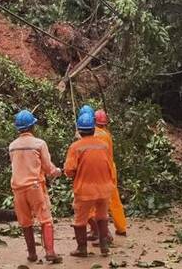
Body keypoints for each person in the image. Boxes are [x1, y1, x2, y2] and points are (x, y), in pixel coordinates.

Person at [9, 109, 63, 264]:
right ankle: (50, 252)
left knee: (25, 222)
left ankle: (32, 254)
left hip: (18, 189)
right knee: (46, 220)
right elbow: (48, 168)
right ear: (33, 126)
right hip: (35, 187)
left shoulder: (12, 146)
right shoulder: (39, 144)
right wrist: (58, 171)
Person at [64, 110, 114, 257]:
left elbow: (69, 170)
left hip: (85, 189)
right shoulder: (103, 145)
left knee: (80, 219)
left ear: (79, 130)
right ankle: (104, 246)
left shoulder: (75, 147)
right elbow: (109, 164)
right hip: (105, 187)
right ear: (94, 129)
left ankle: (81, 248)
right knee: (102, 216)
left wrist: (74, 174)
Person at [86, 109, 127, 242]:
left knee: (95, 202)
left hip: (98, 170)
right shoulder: (107, 134)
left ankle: (101, 232)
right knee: (114, 200)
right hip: (110, 168)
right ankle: (121, 227)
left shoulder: (93, 135)